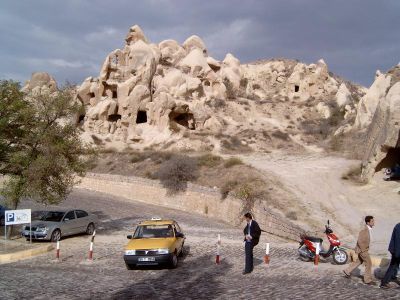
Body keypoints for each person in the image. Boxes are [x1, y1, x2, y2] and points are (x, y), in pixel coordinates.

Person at [343, 216, 375, 285]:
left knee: (359, 261)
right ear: (368, 222)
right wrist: (363, 250)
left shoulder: (369, 229)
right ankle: (367, 280)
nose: (373, 222)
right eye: (372, 221)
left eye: (373, 221)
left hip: (363, 249)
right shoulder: (364, 230)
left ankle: (347, 271)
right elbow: (360, 241)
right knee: (369, 263)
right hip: (363, 250)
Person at [380, 223, 400, 289]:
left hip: (396, 250)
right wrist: (397, 254)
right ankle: (384, 282)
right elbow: (397, 241)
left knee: (393, 266)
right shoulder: (398, 227)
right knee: (393, 265)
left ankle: (385, 282)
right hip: (396, 250)